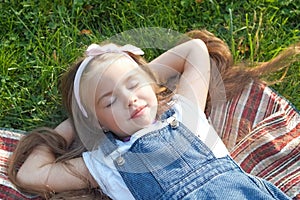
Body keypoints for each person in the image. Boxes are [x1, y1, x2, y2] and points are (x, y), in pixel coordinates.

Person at [8, 30, 298, 199]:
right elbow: (32, 175)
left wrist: (143, 78)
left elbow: (194, 50)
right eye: (110, 102)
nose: (130, 99)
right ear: (98, 124)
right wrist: (75, 123)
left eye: (133, 86)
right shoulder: (105, 163)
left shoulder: (185, 113)